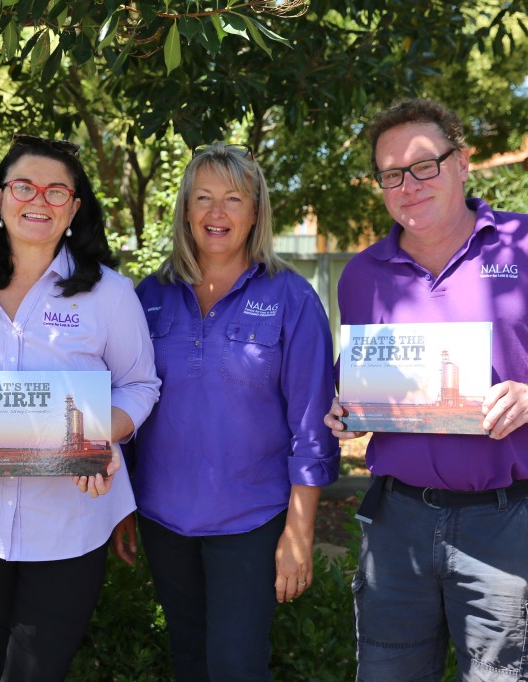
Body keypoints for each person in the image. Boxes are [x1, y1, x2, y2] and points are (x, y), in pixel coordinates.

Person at [324, 98, 528, 681]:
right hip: (395, 524)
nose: (408, 186)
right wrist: (347, 412)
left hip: (503, 522)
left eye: (424, 165)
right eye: (391, 174)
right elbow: (362, 383)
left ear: (462, 162)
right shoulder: (363, 275)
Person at [0, 134, 160, 682]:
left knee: (32, 669)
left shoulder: (109, 293)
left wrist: (98, 433)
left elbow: (140, 385)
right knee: (5, 657)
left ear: (74, 208)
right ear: (0, 197)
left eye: (56, 190)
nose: (39, 200)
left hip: (73, 516)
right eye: (24, 186)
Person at [111, 143, 340, 681]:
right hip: (163, 517)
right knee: (189, 660)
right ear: (185, 209)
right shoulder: (148, 296)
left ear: (256, 211)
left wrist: (299, 532)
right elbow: (124, 406)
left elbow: (312, 427)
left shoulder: (292, 298)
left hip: (252, 519)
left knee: (236, 665)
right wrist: (121, 505)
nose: (217, 213)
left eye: (233, 199)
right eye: (203, 198)